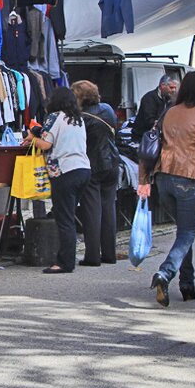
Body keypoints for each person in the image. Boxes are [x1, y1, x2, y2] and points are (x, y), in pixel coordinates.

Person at [137, 72, 195, 307]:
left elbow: (150, 141)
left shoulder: (169, 112)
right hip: (190, 179)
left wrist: (144, 179)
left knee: (183, 231)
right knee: (187, 232)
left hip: (163, 177)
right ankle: (166, 272)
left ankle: (187, 284)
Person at [25, 87, 90, 274]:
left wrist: (31, 138)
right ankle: (68, 258)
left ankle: (64, 263)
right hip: (83, 169)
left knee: (64, 220)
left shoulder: (54, 117)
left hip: (64, 171)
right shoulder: (78, 119)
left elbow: (46, 144)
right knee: (69, 217)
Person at [72, 80, 120, 266]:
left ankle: (92, 256)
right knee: (108, 208)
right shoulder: (107, 109)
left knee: (92, 210)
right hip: (112, 162)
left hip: (92, 164)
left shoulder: (81, 118)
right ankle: (109, 253)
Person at [132, 74, 178, 142]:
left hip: (156, 136)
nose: (174, 90)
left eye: (175, 88)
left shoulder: (168, 99)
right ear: (162, 85)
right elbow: (150, 121)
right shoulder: (149, 98)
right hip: (143, 137)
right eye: (171, 87)